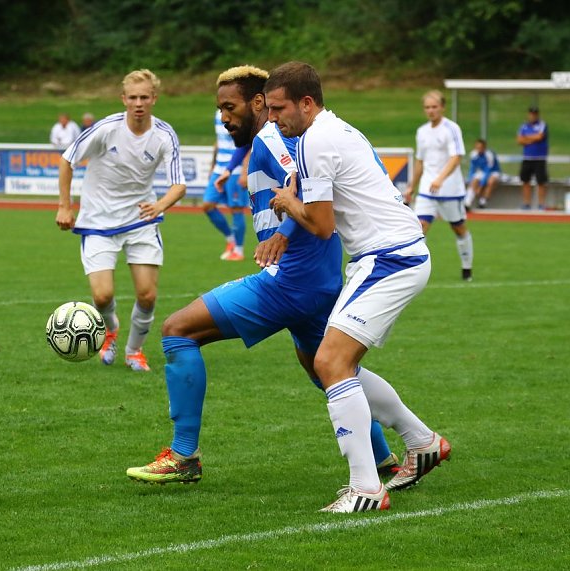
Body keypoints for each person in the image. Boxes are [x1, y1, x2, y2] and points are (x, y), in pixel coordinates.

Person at [126, 65, 401, 489]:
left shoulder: (273, 137)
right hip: (318, 278)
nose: (224, 117)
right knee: (327, 369)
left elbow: (306, 187)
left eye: (230, 107)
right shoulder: (270, 138)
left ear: (258, 103)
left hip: (292, 279)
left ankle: (183, 456)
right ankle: (386, 458)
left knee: (177, 330)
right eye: (219, 109)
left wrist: (285, 236)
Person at [266, 61, 450, 513]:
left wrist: (289, 201)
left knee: (328, 360)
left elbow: (323, 226)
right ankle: (421, 442)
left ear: (306, 103)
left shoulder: (313, 140)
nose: (272, 118)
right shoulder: (337, 129)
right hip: (396, 253)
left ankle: (366, 488)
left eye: (279, 108)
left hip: (389, 258)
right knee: (330, 362)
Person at [55, 69, 187, 372]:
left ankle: (134, 351)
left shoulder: (165, 135)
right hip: (98, 221)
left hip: (141, 221)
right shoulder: (106, 129)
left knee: (147, 294)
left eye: (144, 97)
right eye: (133, 97)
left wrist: (160, 205)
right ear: (123, 99)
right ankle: (110, 330)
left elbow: (178, 184)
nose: (138, 103)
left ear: (154, 99)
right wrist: (65, 206)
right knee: (102, 296)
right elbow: (67, 160)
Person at [403, 90, 474, 282]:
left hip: (450, 189)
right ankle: (414, 272)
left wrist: (440, 179)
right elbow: (420, 161)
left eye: (434, 107)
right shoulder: (422, 131)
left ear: (442, 107)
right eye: (427, 107)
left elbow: (456, 157)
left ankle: (467, 268)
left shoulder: (451, 129)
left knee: (458, 228)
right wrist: (412, 186)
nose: (431, 111)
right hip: (427, 190)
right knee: (420, 228)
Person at [202, 109, 250, 261]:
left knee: (236, 209)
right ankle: (230, 240)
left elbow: (249, 142)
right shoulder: (218, 113)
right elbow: (219, 141)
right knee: (208, 205)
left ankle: (239, 250)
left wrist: (244, 170)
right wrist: (212, 166)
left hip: (235, 169)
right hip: (219, 169)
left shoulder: (240, 112)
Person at [517, 106, 549, 210]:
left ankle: (541, 204)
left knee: (541, 182)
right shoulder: (523, 126)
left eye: (535, 114)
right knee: (525, 181)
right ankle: (526, 203)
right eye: (531, 114)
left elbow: (540, 136)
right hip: (527, 158)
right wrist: (532, 138)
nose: (533, 116)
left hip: (539, 158)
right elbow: (519, 140)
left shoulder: (542, 125)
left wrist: (527, 138)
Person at [466, 138, 501, 209]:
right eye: (477, 147)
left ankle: (483, 201)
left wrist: (480, 186)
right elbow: (472, 169)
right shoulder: (473, 154)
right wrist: (470, 179)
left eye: (480, 147)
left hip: (494, 172)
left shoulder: (489, 155)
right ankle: (467, 203)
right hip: (482, 171)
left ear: (484, 147)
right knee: (474, 181)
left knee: (491, 181)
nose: (478, 149)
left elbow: (488, 171)